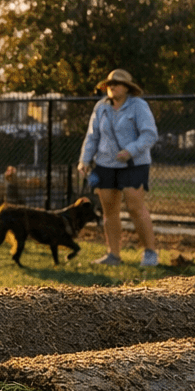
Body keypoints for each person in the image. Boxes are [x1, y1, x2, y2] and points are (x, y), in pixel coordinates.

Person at [78, 68, 160, 268]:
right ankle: (113, 254)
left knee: (134, 207)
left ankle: (150, 252)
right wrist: (84, 160)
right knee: (109, 210)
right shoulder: (101, 107)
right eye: (109, 84)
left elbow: (149, 134)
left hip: (133, 164)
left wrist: (130, 151)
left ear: (127, 88)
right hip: (105, 164)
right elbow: (92, 136)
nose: (111, 87)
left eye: (116, 84)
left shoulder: (138, 106)